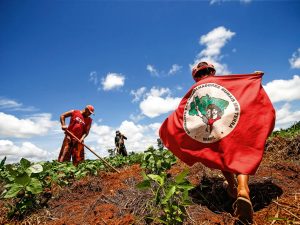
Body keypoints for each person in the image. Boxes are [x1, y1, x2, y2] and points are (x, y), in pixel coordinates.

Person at [192, 62, 254, 224]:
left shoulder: (196, 91)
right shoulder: (223, 82)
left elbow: (189, 114)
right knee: (240, 153)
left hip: (214, 130)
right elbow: (240, 92)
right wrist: (251, 80)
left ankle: (233, 187)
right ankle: (242, 189)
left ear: (196, 76)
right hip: (232, 124)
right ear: (212, 71)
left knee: (222, 157)